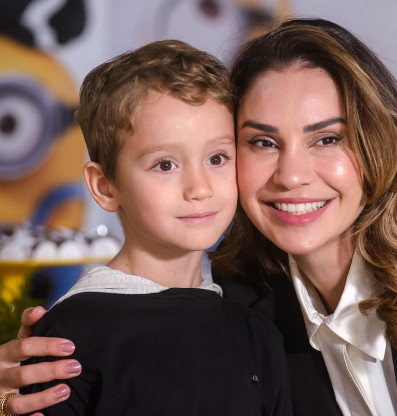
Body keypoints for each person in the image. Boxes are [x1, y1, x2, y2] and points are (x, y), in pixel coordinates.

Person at [1, 17, 397, 416]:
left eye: (327, 139)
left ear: (378, 143)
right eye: (262, 142)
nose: (292, 175)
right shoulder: (233, 310)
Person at [1, 40, 291, 416]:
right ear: (105, 186)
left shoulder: (258, 334)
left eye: (217, 158)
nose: (200, 188)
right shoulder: (69, 334)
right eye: (165, 165)